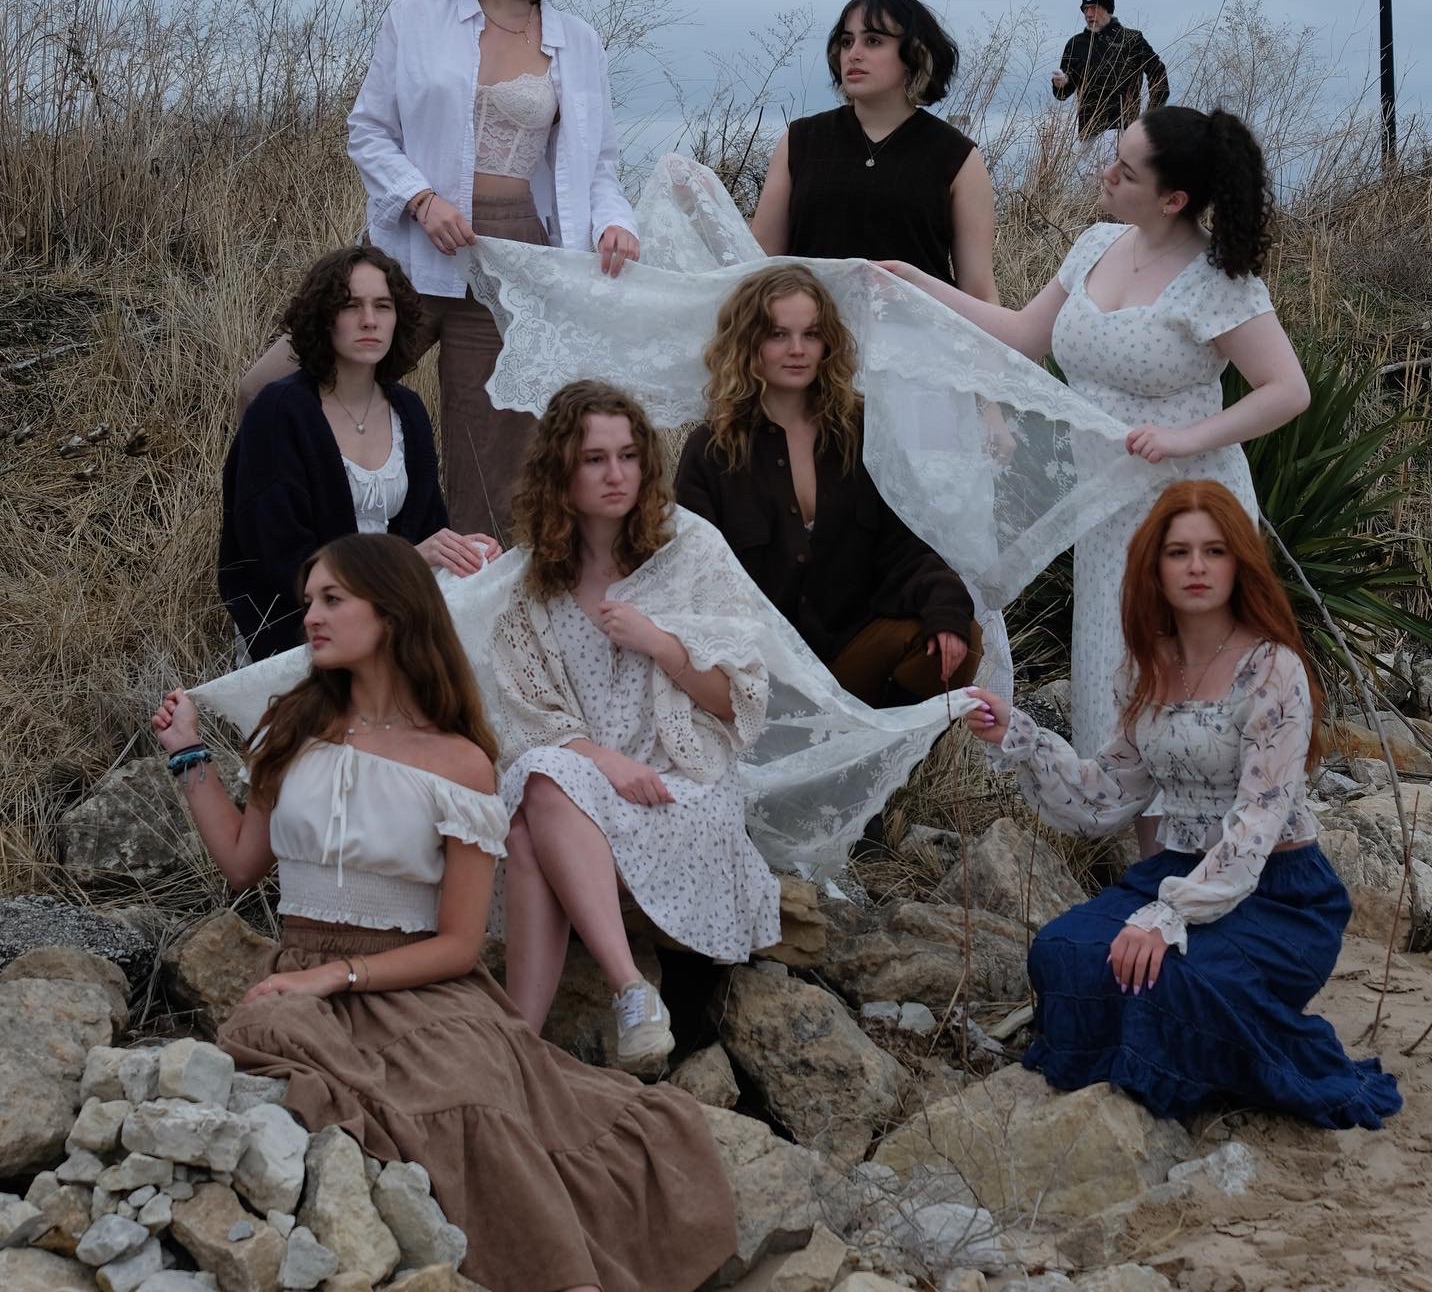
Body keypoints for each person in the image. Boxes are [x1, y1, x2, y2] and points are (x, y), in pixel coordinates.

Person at [156, 533, 737, 1292]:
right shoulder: (291, 726)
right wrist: (187, 753)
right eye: (309, 603)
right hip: (301, 973)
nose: (312, 618)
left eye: (333, 600)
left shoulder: (459, 761)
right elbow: (240, 862)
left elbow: (461, 945)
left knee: (477, 1106)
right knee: (269, 1031)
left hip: (421, 989)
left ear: (392, 614)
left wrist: (341, 975)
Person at [882, 105, 1310, 841]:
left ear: (1173, 199)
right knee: (1121, 682)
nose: (1103, 173)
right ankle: (1144, 877)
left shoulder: (1218, 280)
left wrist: (1186, 437)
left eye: (1125, 170)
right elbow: (1023, 335)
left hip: (1190, 515)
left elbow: (1286, 391)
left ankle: (1229, 873)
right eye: (1112, 157)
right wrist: (918, 283)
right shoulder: (1095, 246)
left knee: (1192, 692)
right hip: (1107, 516)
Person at [962, 480, 1402, 1130]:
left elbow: (1257, 822)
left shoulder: (1272, 669)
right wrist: (1021, 738)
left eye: (1215, 550)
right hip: (1175, 870)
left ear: (1239, 563)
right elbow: (1105, 798)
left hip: (1279, 894)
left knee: (1170, 977)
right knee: (1064, 951)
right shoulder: (1145, 669)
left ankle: (1221, 1059)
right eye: (1178, 552)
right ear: (1154, 567)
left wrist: (1168, 917)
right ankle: (1170, 1051)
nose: (1196, 567)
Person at [238, 0, 640, 538]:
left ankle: (473, 621)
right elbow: (367, 130)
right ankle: (309, 557)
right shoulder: (415, 16)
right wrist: (421, 198)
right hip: (411, 252)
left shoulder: (578, 41)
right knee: (272, 387)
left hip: (513, 264)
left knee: (490, 464)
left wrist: (614, 222)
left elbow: (598, 162)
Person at [493, 381, 781, 1072]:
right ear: (561, 470)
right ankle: (546, 1036)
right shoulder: (534, 586)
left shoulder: (690, 554)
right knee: (541, 783)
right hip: (586, 788)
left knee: (535, 816)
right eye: (594, 459)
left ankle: (533, 1035)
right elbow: (532, 720)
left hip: (680, 788)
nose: (616, 475)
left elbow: (736, 703)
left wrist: (660, 643)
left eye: (628, 456)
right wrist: (604, 762)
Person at [675, 263, 976, 706]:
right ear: (747, 342)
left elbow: (905, 543)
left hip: (850, 653)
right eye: (778, 334)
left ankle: (878, 755)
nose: (797, 350)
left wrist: (945, 607)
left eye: (811, 334)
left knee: (957, 635)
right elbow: (691, 580)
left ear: (828, 342)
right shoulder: (711, 449)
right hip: (758, 672)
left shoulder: (859, 430)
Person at [219, 245, 498, 661]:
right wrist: (402, 563)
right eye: (351, 305)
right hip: (303, 629)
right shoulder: (280, 413)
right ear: (324, 316)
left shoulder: (408, 410)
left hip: (393, 610)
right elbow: (277, 562)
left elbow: (427, 529)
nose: (370, 321)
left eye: (383, 306)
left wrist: (460, 552)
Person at [751, 0, 998, 297]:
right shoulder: (801, 140)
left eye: (873, 41)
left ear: (914, 54)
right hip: (813, 337)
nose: (854, 53)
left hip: (918, 338)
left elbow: (977, 290)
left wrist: (999, 345)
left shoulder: (956, 156)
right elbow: (761, 268)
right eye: (846, 41)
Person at [1051, 0, 1169, 141]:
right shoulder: (1076, 43)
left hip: (1126, 132)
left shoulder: (1131, 39)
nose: (1088, 14)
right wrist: (1061, 84)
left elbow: (1158, 72)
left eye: (1094, 8)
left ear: (1108, 9)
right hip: (1088, 134)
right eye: (1085, 9)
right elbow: (1062, 94)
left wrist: (1150, 116)